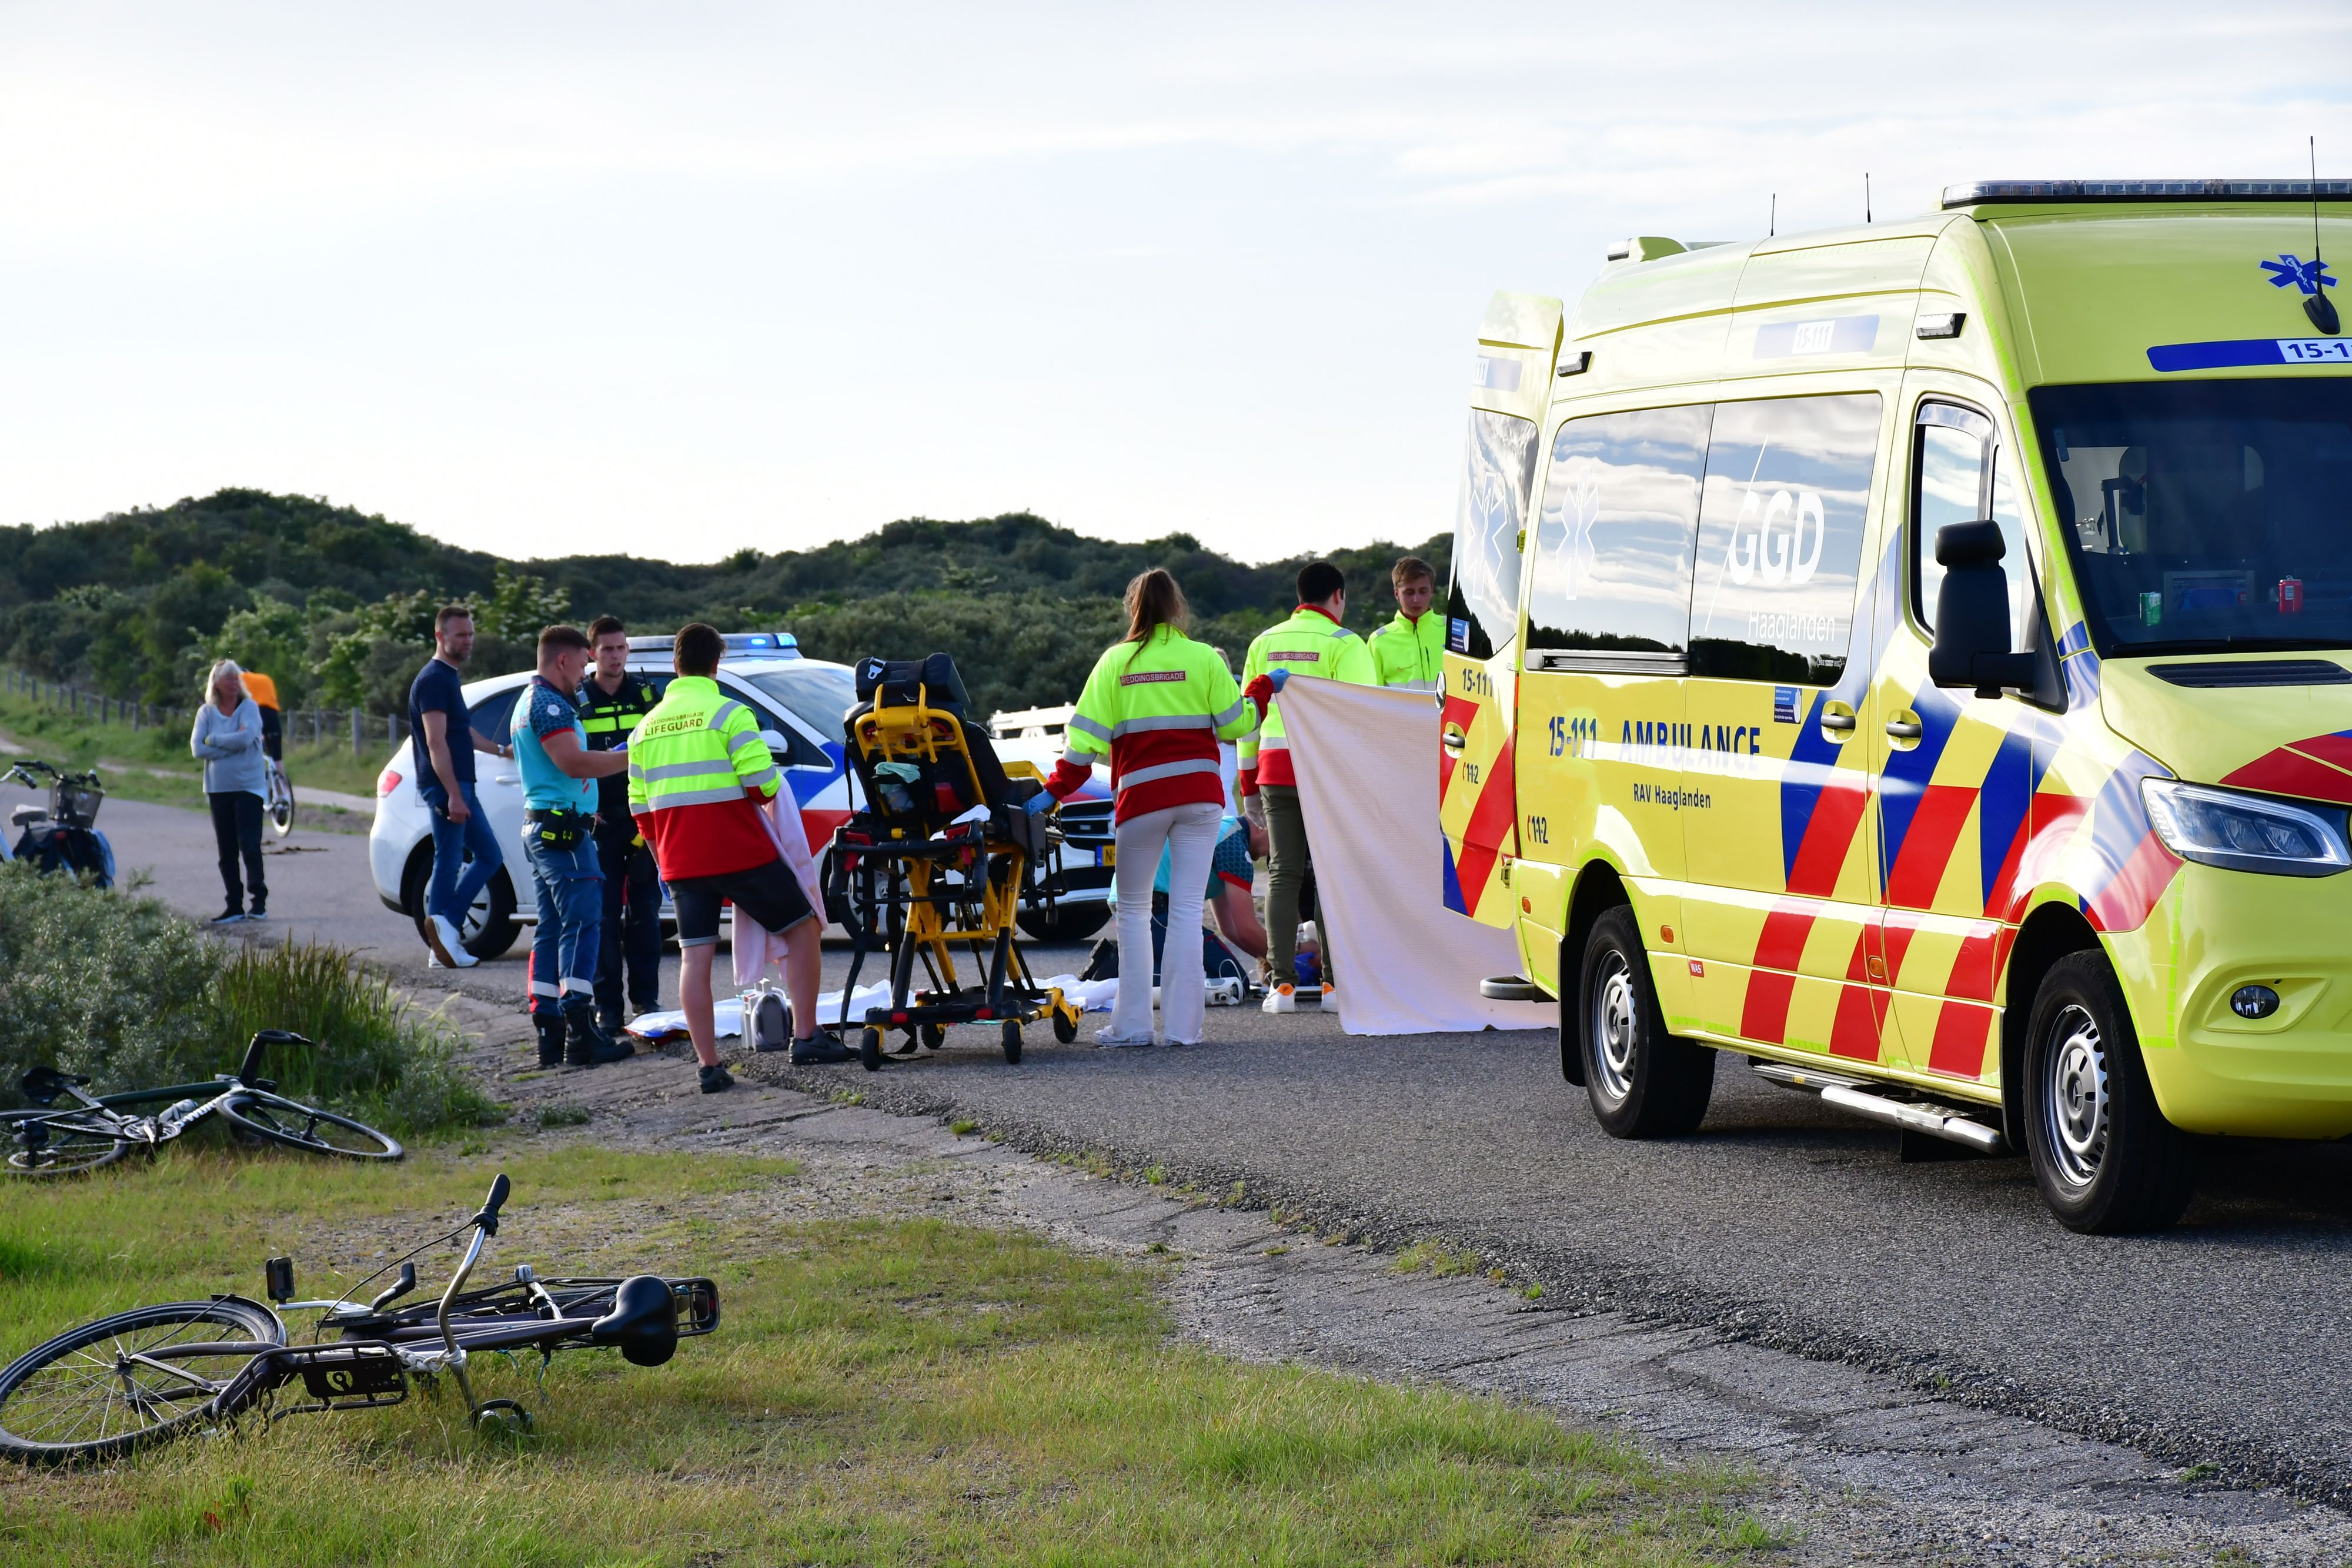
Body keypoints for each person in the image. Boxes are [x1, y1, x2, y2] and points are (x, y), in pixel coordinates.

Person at [1035, 569, 1261, 1048]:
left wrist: (1049, 794)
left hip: (1142, 800)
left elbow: (1081, 750)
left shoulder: (1115, 662)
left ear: (1132, 607)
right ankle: (1184, 1030)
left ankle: (1133, 1027)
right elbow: (1237, 723)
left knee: (1134, 913)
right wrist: (1261, 690)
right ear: (1177, 607)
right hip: (1200, 803)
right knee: (1185, 912)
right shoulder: (1202, 658)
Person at [629, 623, 838, 1092]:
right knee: (804, 927)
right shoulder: (730, 714)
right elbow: (762, 784)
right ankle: (806, 1037)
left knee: (694, 957)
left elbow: (639, 808)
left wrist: (666, 849)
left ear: (677, 666)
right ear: (717, 665)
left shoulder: (644, 729)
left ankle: (709, 1065)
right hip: (739, 851)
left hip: (681, 858)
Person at [1237, 560, 1374, 1013]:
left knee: (1283, 874)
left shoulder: (1263, 642)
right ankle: (1335, 988)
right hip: (1328, 773)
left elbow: (1247, 721)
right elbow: (1363, 715)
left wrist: (1247, 782)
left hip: (1274, 770)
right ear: (1338, 595)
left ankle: (1283, 988)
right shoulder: (1346, 643)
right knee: (1332, 876)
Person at [511, 624, 636, 1069]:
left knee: (550, 928)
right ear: (563, 660)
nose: (586, 672)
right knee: (584, 924)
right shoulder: (549, 704)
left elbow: (563, 767)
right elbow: (573, 761)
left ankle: (550, 1030)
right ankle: (581, 1033)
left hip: (547, 826)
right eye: (583, 662)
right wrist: (632, 755)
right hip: (563, 835)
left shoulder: (532, 702)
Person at [409, 604, 512, 970]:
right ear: (440, 636)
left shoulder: (448, 677)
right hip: (448, 787)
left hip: (459, 785)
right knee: (454, 861)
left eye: (470, 634)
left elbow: (460, 732)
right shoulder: (435, 679)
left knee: (478, 857)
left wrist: (501, 749)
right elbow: (436, 742)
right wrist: (453, 793)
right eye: (460, 635)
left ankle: (444, 936)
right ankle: (445, 935)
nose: (468, 641)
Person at [577, 616, 663, 1036]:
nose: (615, 656)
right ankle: (607, 1008)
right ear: (592, 654)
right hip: (600, 822)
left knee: (646, 915)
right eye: (607, 649)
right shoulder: (577, 697)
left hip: (644, 818)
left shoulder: (647, 695)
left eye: (621, 648)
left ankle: (646, 1001)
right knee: (604, 918)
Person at [189, 659, 268, 924]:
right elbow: (197, 749)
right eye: (229, 679)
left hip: (250, 786)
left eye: (237, 679)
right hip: (218, 788)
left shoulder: (250, 708)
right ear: (217, 684)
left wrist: (214, 740)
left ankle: (258, 903)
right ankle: (233, 905)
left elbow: (247, 739)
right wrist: (231, 744)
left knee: (250, 845)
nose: (235, 683)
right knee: (227, 849)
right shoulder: (207, 714)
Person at [1368, 555, 1444, 690]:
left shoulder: (1451, 630)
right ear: (1397, 594)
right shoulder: (1378, 641)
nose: (1416, 599)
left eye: (1423, 591)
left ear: (1431, 591)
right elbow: (1372, 696)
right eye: (1409, 593)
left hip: (1446, 712)